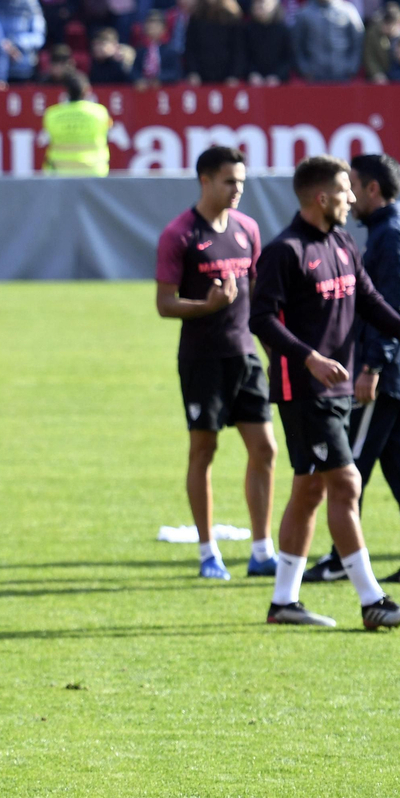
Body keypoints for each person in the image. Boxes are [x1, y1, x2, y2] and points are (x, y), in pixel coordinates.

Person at [250, 155, 400, 630]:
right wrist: (308, 356)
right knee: (347, 484)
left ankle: (284, 602)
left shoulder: (344, 243)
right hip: (304, 389)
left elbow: (367, 298)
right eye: (345, 191)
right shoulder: (284, 251)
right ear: (321, 197)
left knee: (309, 490)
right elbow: (260, 318)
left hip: (339, 386)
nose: (353, 198)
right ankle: (372, 601)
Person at [304, 154, 400, 584]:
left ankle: (343, 558)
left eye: (353, 186)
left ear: (372, 189)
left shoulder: (392, 235)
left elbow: (393, 305)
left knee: (348, 465)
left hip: (384, 375)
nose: (350, 196)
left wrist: (373, 365)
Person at [154, 145, 277, 580]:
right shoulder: (180, 235)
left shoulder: (247, 229)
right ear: (205, 180)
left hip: (245, 355)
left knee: (265, 449)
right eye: (229, 181)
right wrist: (207, 306)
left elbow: (261, 292)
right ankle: (209, 552)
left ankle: (262, 551)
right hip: (202, 359)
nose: (237, 190)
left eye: (241, 181)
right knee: (203, 451)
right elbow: (164, 305)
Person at [42, 73, 113, 176]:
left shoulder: (52, 114)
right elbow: (107, 134)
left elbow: (49, 137)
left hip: (60, 171)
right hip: (94, 171)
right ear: (86, 91)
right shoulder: (100, 113)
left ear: (66, 92)